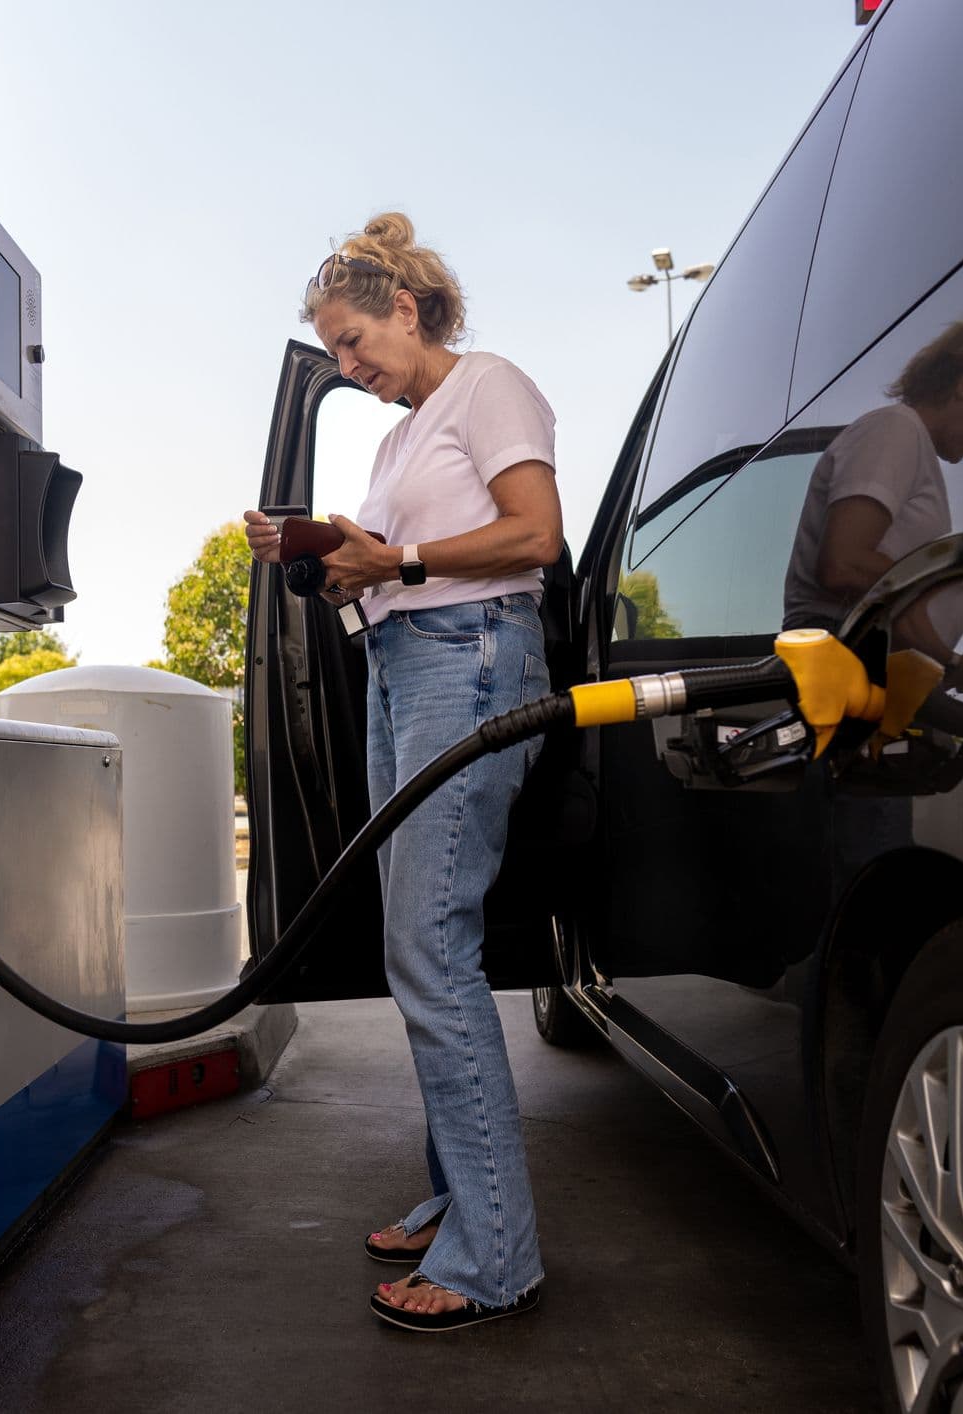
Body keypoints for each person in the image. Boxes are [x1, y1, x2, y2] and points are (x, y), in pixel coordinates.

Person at [243, 213, 563, 1332]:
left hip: (470, 660)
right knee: (411, 944)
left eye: (351, 341)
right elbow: (387, 566)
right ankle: (455, 1197)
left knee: (431, 946)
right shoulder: (395, 439)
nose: (346, 365)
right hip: (400, 662)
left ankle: (493, 1258)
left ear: (406, 310)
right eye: (330, 353)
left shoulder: (489, 387)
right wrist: (337, 564)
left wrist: (402, 559)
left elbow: (536, 536)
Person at [783, 291, 963, 696]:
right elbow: (845, 565)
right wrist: (951, 660)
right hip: (844, 670)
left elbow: (883, 592)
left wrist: (954, 666)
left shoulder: (911, 445)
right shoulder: (895, 429)